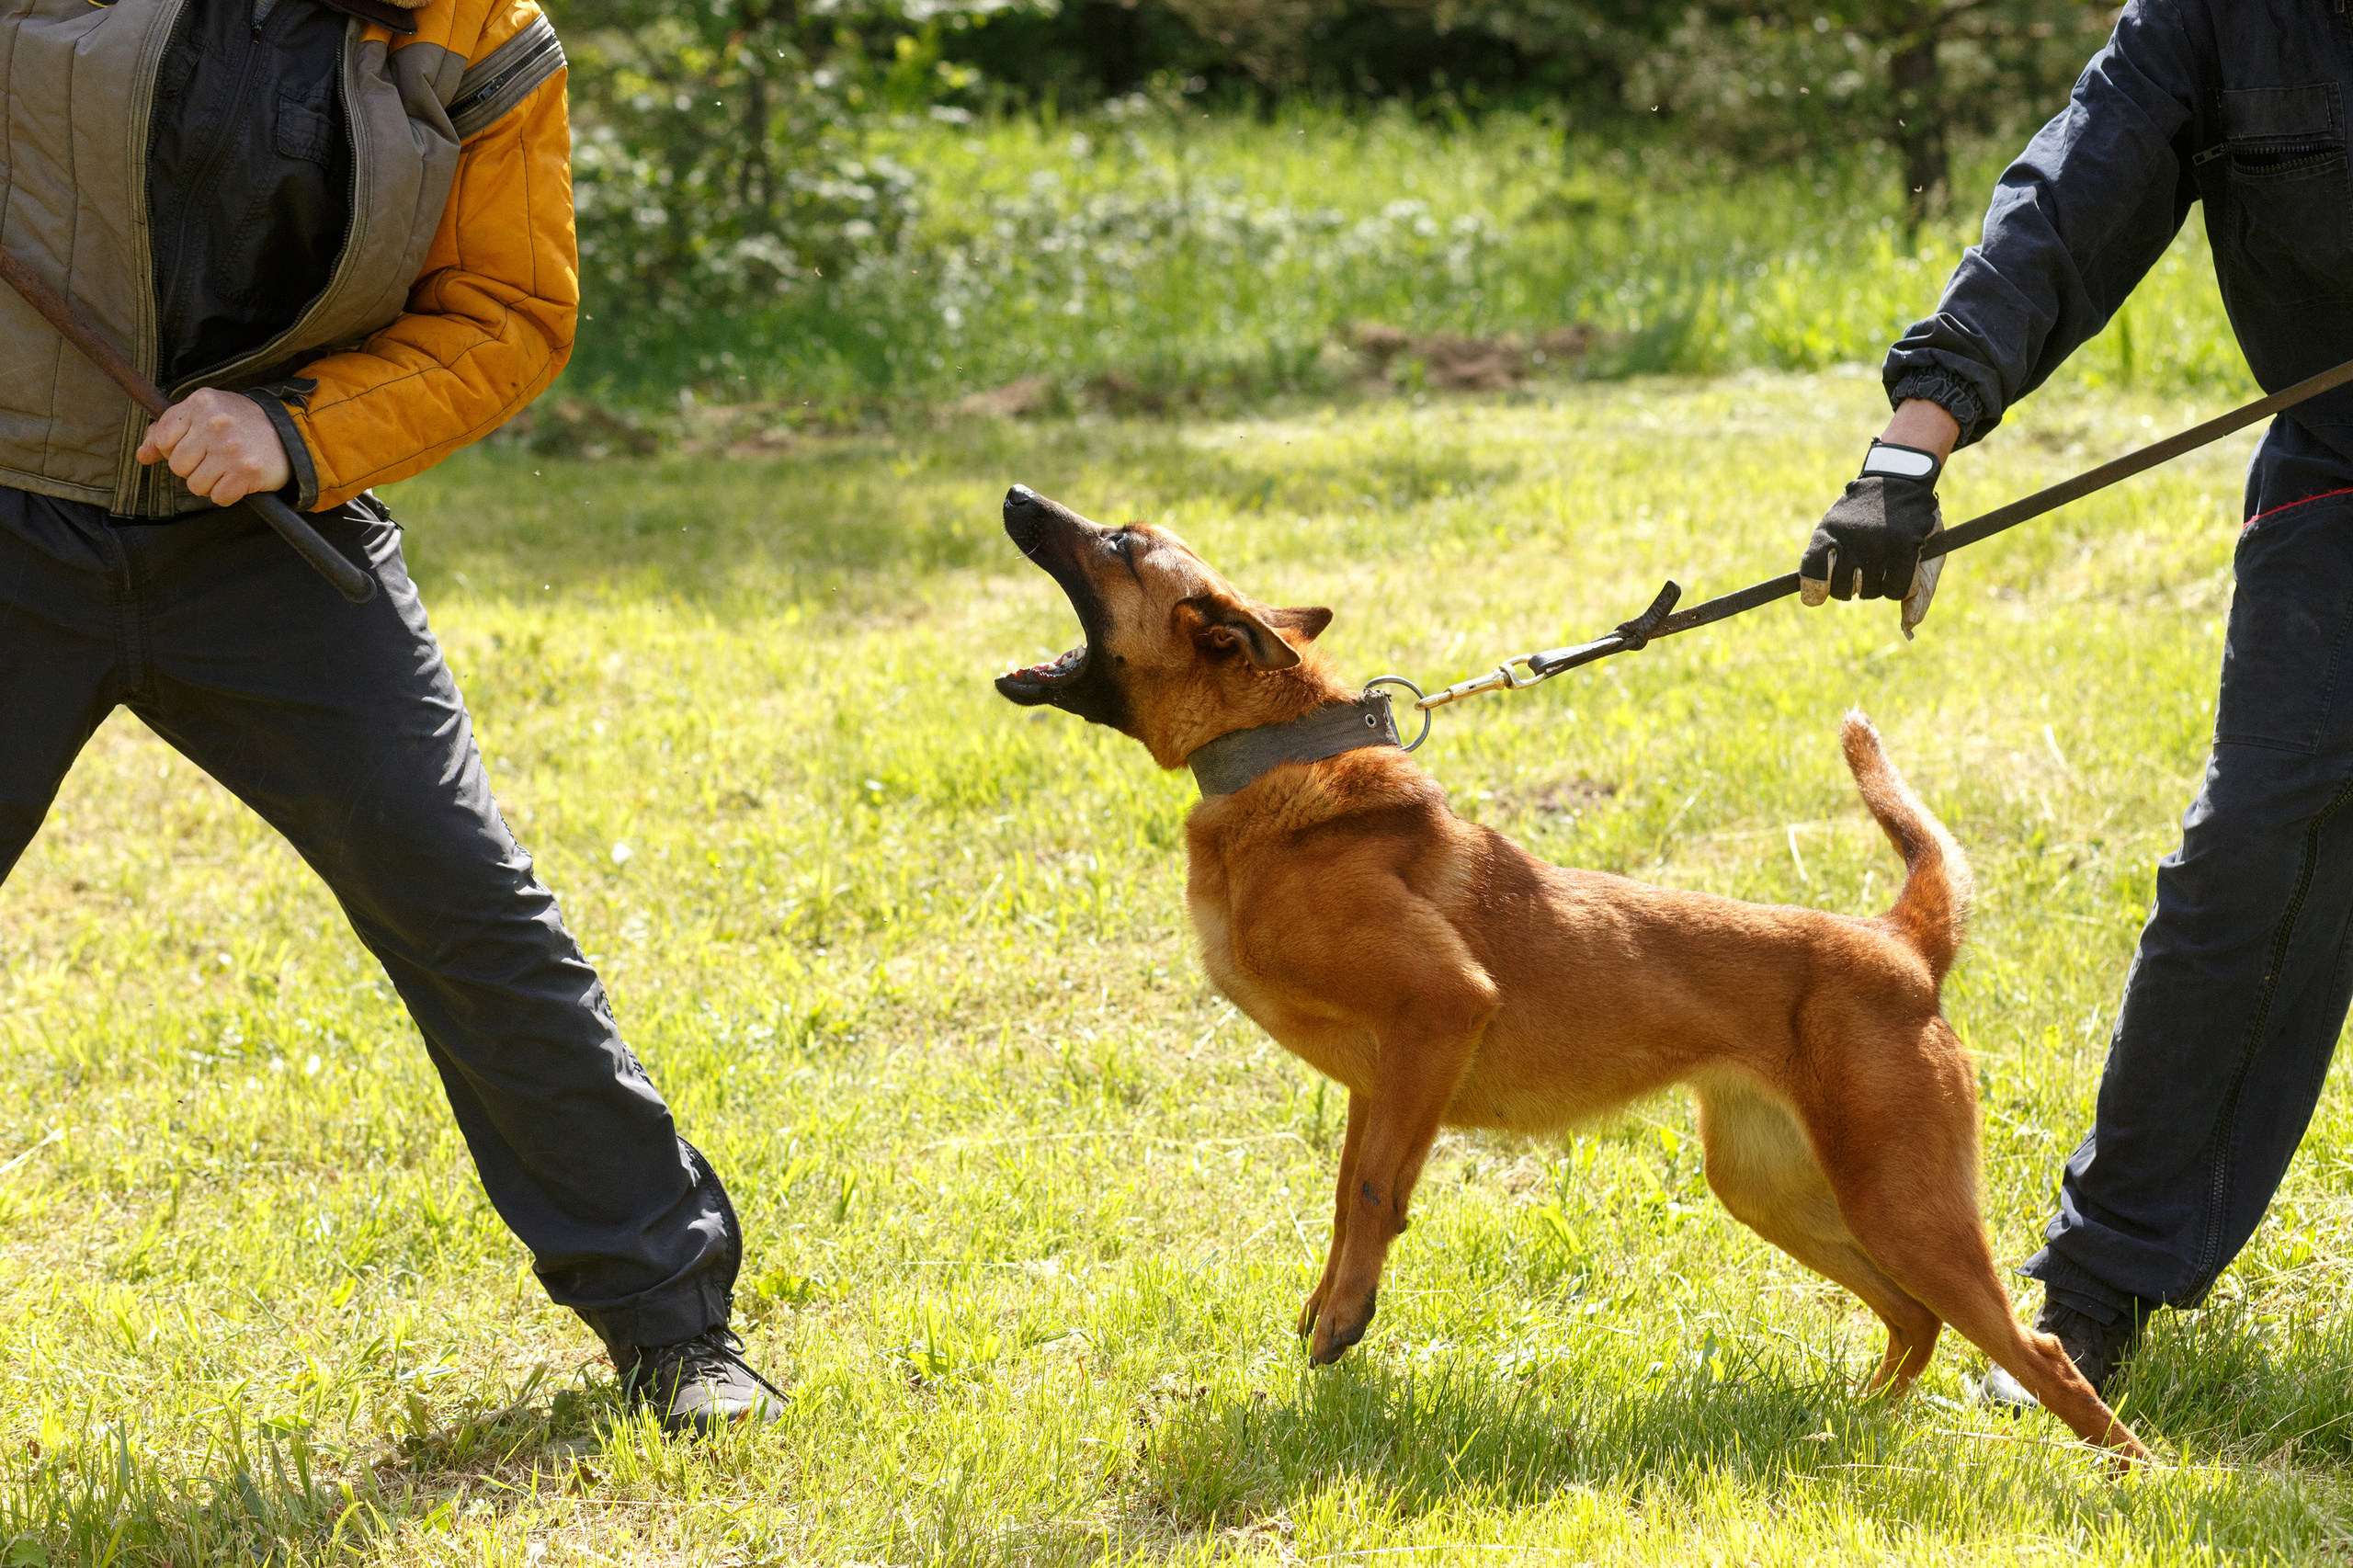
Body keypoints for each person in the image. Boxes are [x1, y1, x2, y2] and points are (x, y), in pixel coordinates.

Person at [0, 0, 780, 1434]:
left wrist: (296, 434)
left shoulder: (476, 33)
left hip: (267, 540)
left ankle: (675, 1328)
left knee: (469, 906)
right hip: (10, 512)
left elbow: (509, 314)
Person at [1802, 0, 2353, 1404]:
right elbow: (2069, 199)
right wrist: (1906, 453)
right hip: (2343, 473)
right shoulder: (2214, 18)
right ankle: (2096, 1288)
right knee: (2256, 844)